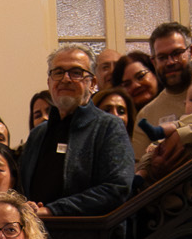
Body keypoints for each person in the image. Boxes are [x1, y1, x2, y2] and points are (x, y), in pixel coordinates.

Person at [18, 46, 135, 218]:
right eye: (58, 72)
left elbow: (117, 187)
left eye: (76, 72)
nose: (65, 79)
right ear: (49, 82)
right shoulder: (38, 134)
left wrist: (53, 210)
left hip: (88, 232)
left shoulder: (109, 127)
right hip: (36, 230)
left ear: (93, 84)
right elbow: (21, 188)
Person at [131, 23, 192, 171]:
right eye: (162, 57)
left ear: (191, 52)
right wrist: (155, 170)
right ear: (154, 62)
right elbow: (138, 167)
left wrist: (179, 137)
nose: (170, 62)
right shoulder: (146, 115)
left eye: (176, 53)